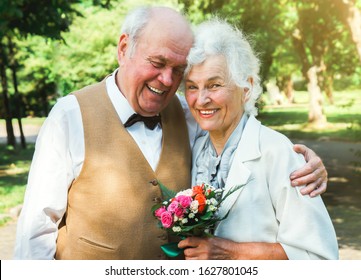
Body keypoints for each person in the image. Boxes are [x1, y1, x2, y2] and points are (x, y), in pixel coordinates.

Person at [14, 6, 328, 260]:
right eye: (158, 62)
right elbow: (35, 231)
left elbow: (242, 138)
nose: (167, 80)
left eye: (178, 70)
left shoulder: (190, 117)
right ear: (124, 48)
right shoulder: (69, 117)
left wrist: (303, 160)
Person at [178, 18, 339, 260]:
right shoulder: (196, 145)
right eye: (192, 87)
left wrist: (229, 252)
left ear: (247, 88)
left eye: (214, 85)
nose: (201, 100)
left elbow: (319, 257)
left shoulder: (278, 152)